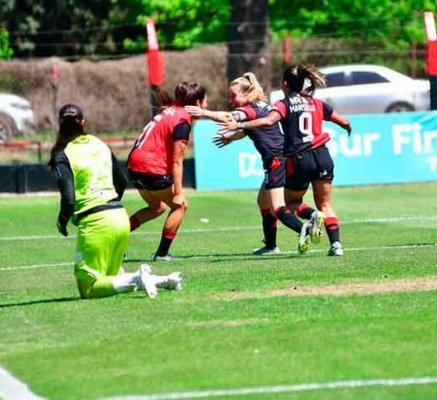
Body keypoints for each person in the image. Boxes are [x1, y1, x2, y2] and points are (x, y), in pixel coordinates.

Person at [49, 103, 182, 299]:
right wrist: (110, 206)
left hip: (96, 222)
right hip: (119, 216)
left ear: (59, 124)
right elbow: (120, 179)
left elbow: (68, 198)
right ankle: (161, 280)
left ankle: (137, 278)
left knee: (88, 288)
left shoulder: (63, 154)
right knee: (112, 277)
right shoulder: (99, 143)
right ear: (83, 122)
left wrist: (62, 220)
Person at [218, 64, 352, 256]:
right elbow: (342, 121)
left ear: (285, 83)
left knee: (288, 203)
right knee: (325, 203)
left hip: (299, 158)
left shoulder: (283, 104)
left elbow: (268, 121)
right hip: (323, 155)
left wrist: (240, 123)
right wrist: (347, 127)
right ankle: (336, 245)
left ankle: (310, 219)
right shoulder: (316, 103)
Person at [186, 72, 317, 255]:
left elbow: (229, 117)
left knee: (277, 207)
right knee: (263, 202)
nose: (231, 100)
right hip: (284, 157)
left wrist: (203, 112)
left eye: (234, 95)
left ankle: (304, 227)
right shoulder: (263, 106)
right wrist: (232, 138)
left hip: (276, 160)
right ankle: (276, 242)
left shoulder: (250, 109)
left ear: (246, 93)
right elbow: (252, 129)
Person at [127, 82, 207, 261]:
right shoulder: (182, 121)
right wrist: (179, 192)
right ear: (198, 102)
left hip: (134, 167)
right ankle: (162, 254)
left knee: (157, 207)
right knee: (180, 205)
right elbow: (177, 161)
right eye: (205, 101)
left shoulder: (169, 110)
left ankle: (114, 238)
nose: (206, 105)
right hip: (151, 169)